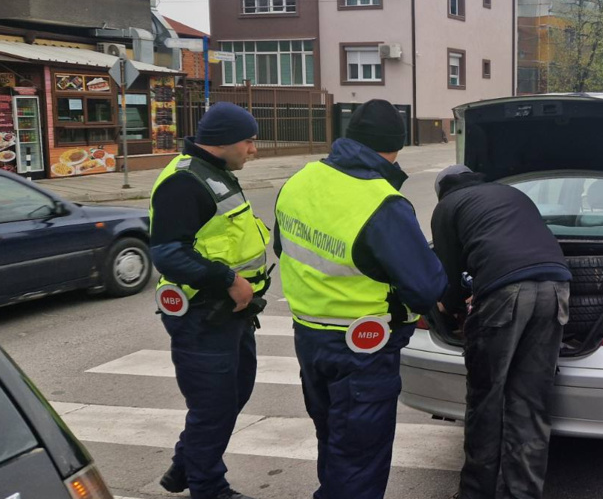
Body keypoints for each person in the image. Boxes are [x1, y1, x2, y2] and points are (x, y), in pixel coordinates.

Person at [274, 99, 447, 499]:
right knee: (358, 460)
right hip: (362, 349)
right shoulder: (381, 202)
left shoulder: (300, 180)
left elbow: (285, 247)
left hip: (310, 339)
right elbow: (425, 286)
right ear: (395, 147)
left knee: (334, 443)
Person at [149, 102, 270, 499]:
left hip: (229, 315)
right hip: (202, 316)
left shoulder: (214, 172)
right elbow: (168, 253)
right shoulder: (184, 183)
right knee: (213, 406)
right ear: (221, 143)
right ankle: (208, 487)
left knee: (235, 393)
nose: (254, 150)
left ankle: (186, 464)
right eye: (249, 141)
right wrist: (228, 279)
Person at [432, 165, 572, 499]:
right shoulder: (512, 194)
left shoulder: (448, 207)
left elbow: (449, 274)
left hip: (504, 293)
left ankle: (475, 494)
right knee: (531, 400)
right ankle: (522, 493)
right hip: (557, 287)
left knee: (486, 400)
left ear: (442, 190)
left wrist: (448, 308)